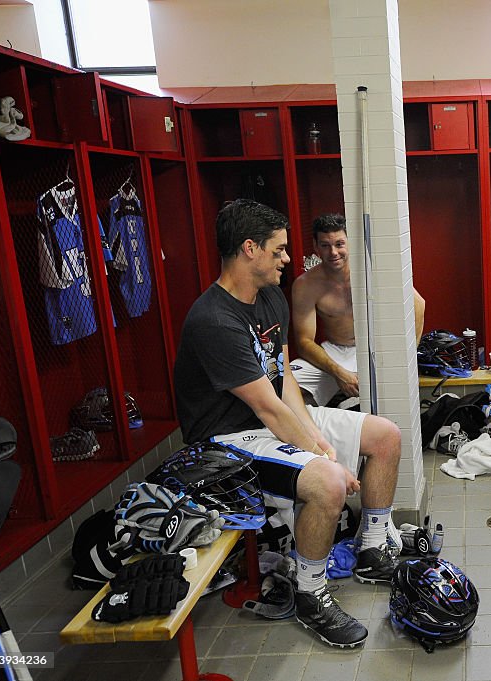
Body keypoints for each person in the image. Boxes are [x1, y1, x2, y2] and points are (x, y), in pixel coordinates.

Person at [173, 200, 402, 648]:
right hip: (227, 441)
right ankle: (310, 592)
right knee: (328, 484)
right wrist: (322, 456)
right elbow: (267, 410)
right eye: (278, 250)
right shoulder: (213, 320)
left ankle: (373, 547)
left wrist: (316, 433)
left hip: (269, 418)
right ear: (250, 249)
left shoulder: (270, 296)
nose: (287, 259)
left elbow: (284, 379)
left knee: (385, 436)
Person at [291, 213, 425, 406]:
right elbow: (304, 341)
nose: (333, 252)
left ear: (350, 242)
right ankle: (322, 430)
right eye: (325, 245)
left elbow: (418, 304)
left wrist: (408, 355)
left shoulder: (374, 270)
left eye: (339, 244)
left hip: (377, 347)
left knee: (389, 401)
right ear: (315, 246)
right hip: (335, 351)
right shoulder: (305, 285)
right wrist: (338, 372)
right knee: (287, 388)